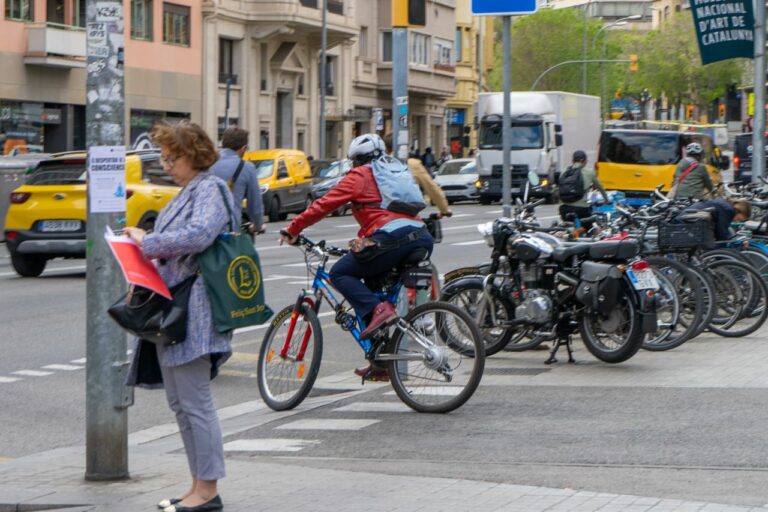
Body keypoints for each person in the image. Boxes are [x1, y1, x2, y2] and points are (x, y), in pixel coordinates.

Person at [124, 120, 234, 512]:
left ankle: (208, 492)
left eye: (172, 157)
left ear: (193, 155)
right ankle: (196, 486)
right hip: (177, 309)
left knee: (195, 402)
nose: (166, 165)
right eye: (164, 157)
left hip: (196, 311)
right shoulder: (190, 189)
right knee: (181, 403)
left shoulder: (210, 188)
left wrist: (147, 241)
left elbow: (200, 235)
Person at [280, 134, 434, 380]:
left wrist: (293, 229)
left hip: (391, 237)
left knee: (340, 273)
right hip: (420, 235)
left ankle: (379, 311)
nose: (353, 165)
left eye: (353, 161)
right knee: (372, 290)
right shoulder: (395, 169)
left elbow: (324, 204)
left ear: (357, 160)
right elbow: (381, 212)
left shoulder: (361, 175)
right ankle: (381, 361)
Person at [209, 126, 264, 237]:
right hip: (230, 231)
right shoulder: (247, 168)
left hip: (206, 229)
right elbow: (255, 206)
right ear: (244, 148)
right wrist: (257, 226)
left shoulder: (208, 163)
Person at [385, 134, 452, 219]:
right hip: (406, 214)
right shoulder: (413, 164)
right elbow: (432, 188)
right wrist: (444, 210)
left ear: (386, 148)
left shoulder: (378, 165)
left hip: (382, 215)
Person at [558, 150, 609, 229]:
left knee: (567, 229)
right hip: (582, 209)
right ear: (585, 161)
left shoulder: (564, 172)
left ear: (572, 161)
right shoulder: (590, 173)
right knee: (589, 229)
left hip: (564, 208)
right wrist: (606, 200)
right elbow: (600, 188)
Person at [684, 198, 750, 241]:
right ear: (740, 211)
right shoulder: (729, 210)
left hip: (690, 217)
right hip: (690, 220)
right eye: (740, 219)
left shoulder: (727, 205)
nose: (737, 221)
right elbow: (721, 232)